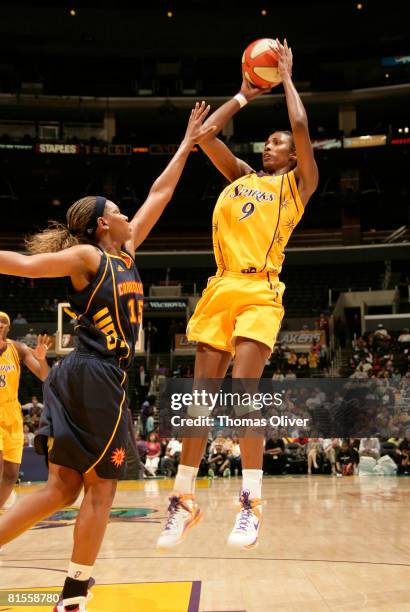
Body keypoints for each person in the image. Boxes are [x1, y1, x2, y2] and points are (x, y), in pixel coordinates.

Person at [0, 102, 214, 612]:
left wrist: (186, 145)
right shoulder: (89, 257)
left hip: (76, 377)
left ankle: (74, 590)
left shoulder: (125, 251)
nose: (125, 212)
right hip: (94, 374)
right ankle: (74, 594)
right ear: (101, 224)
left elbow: (159, 193)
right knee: (102, 489)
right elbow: (24, 262)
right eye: (117, 209)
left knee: (61, 488)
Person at [157, 39, 318, 551]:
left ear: (291, 156)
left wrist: (286, 78)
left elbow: (300, 127)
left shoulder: (296, 186)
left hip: (260, 289)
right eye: (267, 141)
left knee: (244, 393)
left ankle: (251, 502)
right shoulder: (242, 177)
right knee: (200, 403)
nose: (269, 146)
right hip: (221, 285)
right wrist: (246, 93)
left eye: (277, 143)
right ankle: (183, 500)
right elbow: (203, 136)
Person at [0, 311, 50, 509]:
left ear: (8, 328)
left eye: (3, 323)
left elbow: (44, 376)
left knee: (11, 475)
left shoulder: (18, 349)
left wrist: (42, 358)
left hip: (12, 413)